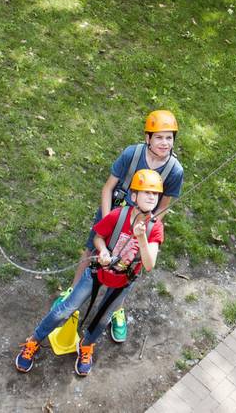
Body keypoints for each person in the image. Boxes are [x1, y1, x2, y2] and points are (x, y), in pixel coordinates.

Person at [14, 168, 165, 377]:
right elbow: (98, 237)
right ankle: (34, 340)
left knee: (103, 318)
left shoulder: (155, 229)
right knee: (65, 309)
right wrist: (103, 250)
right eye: (146, 191)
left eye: (155, 193)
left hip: (123, 280)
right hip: (97, 272)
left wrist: (141, 238)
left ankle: (86, 346)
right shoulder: (118, 215)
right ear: (133, 195)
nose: (151, 196)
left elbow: (149, 265)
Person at [64, 109, 183, 343]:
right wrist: (109, 223)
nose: (164, 143)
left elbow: (162, 208)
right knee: (92, 251)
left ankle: (115, 306)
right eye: (159, 137)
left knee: (127, 264)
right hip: (114, 213)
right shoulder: (132, 154)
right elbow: (108, 188)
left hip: (139, 225)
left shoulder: (174, 171)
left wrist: (144, 234)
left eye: (169, 137)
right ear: (148, 138)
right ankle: (73, 292)